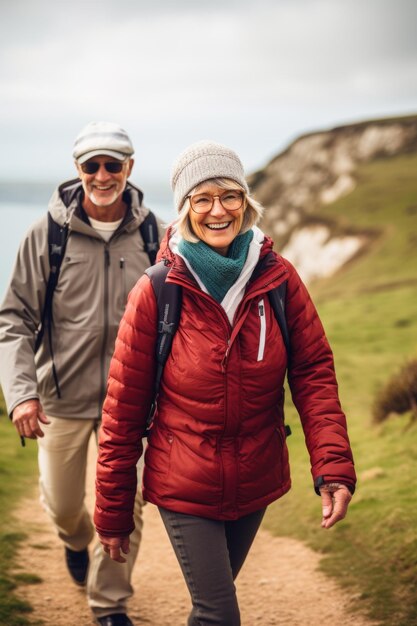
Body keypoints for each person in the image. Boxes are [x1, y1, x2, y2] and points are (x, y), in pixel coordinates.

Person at [94, 140, 357, 626]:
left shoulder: (278, 279)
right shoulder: (156, 290)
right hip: (183, 481)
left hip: (255, 478)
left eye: (230, 196)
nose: (218, 210)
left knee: (210, 609)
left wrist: (334, 466)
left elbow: (314, 373)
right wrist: (112, 511)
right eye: (203, 198)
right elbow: (122, 410)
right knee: (219, 614)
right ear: (186, 209)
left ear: (246, 203)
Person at [0, 121, 165, 626]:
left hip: (131, 405)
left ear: (129, 169)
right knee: (64, 507)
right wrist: (22, 395)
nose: (102, 174)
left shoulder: (155, 233)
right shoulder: (45, 234)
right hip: (60, 401)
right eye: (91, 165)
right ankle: (74, 541)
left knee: (127, 507)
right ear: (78, 170)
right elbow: (14, 320)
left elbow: (172, 317)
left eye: (112, 164)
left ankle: (109, 604)